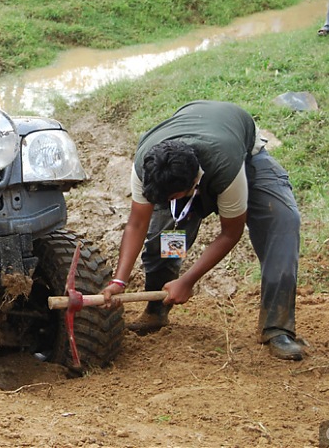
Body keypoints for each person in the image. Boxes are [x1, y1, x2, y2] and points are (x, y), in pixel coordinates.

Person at [102, 101, 303, 361]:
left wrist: (188, 281)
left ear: (193, 183)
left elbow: (231, 232)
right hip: (192, 150)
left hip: (241, 152)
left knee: (282, 221)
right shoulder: (148, 164)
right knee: (167, 235)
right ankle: (156, 310)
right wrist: (119, 281)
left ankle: (277, 328)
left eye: (173, 197)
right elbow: (137, 223)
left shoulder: (225, 166)